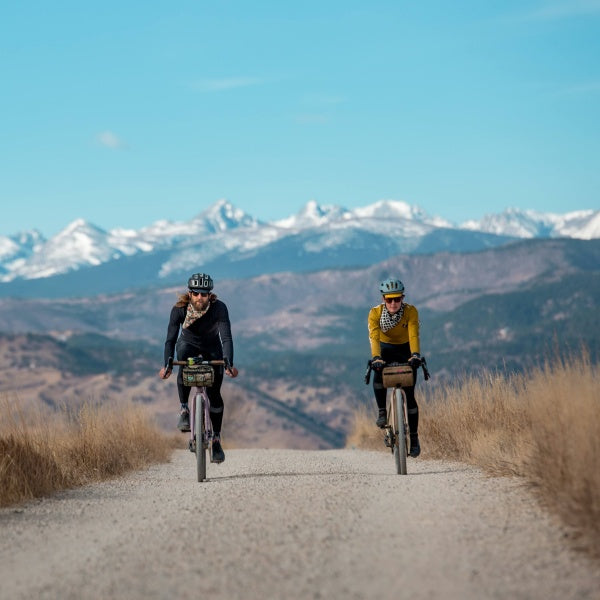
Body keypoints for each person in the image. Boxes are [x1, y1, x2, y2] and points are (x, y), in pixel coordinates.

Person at [159, 272, 238, 463]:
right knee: (183, 362)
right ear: (190, 293)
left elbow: (226, 337)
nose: (200, 298)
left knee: (215, 393)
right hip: (188, 344)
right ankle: (184, 409)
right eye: (196, 294)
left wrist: (229, 362)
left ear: (210, 295)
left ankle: (216, 439)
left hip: (213, 348)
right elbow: (170, 339)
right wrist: (167, 364)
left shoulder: (219, 308)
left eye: (204, 294)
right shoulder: (179, 309)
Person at [368, 277, 422, 457]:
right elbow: (374, 337)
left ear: (402, 298)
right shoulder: (375, 313)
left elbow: (414, 334)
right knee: (377, 373)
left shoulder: (411, 311)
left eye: (397, 299)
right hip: (385, 349)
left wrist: (415, 355)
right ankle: (382, 411)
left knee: (410, 394)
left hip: (405, 349)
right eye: (389, 299)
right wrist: (376, 357)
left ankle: (414, 438)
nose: (393, 303)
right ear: (383, 299)